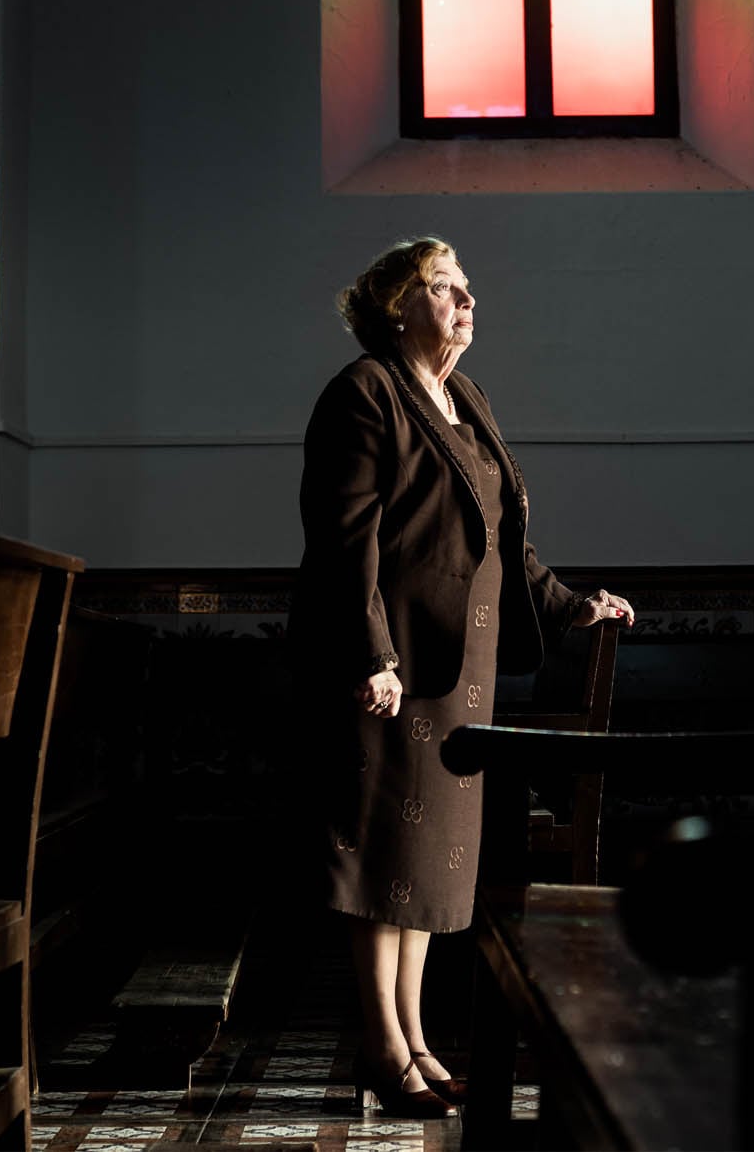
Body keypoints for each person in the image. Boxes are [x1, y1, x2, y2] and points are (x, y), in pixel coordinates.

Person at [289, 235, 635, 1119]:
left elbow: (502, 542)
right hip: (394, 667)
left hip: (461, 674)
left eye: (466, 286)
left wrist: (569, 605)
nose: (465, 300)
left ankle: (416, 1042)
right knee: (379, 865)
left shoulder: (462, 398)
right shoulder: (364, 391)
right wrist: (371, 654)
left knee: (423, 870)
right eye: (443, 287)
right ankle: (383, 1049)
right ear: (395, 305)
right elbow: (343, 539)